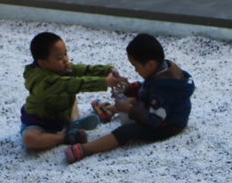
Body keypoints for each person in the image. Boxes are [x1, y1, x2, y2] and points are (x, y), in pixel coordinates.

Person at [65, 33, 194, 164]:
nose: (136, 71)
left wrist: (129, 110)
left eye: (136, 67)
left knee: (128, 131)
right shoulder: (163, 69)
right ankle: (109, 110)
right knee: (133, 98)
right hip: (161, 109)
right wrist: (128, 89)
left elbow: (155, 120)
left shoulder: (163, 91)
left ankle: (85, 149)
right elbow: (148, 87)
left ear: (150, 64)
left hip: (167, 125)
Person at [21, 32, 125, 151]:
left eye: (65, 53)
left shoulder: (63, 68)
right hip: (39, 121)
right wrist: (105, 82)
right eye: (60, 58)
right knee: (29, 138)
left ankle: (74, 123)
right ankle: (65, 137)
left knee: (70, 94)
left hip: (61, 114)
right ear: (43, 63)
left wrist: (107, 70)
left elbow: (84, 70)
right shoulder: (42, 81)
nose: (65, 60)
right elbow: (75, 84)